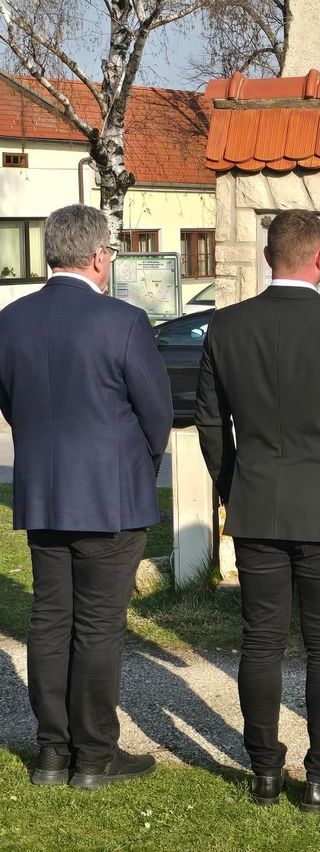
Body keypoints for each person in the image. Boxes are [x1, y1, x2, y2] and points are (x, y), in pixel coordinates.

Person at [195, 209, 320, 810]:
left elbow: (210, 422)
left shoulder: (226, 326)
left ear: (268, 258)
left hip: (257, 505)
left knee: (260, 641)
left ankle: (263, 770)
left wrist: (232, 487)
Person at [0, 204, 173, 789]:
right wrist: (141, 467)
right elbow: (157, 413)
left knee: (50, 621)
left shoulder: (10, 321)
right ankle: (94, 756)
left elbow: (12, 403)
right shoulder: (123, 320)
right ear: (99, 256)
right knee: (97, 625)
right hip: (110, 497)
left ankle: (53, 753)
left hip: (44, 495)